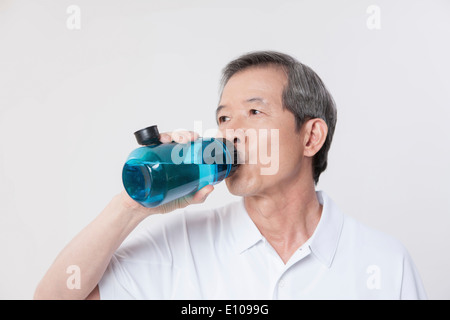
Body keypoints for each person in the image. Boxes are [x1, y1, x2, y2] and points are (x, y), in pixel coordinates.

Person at [34, 51, 427, 299]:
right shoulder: (181, 246)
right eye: (223, 117)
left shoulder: (384, 262)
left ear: (311, 136)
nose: (230, 131)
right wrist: (132, 207)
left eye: (254, 112)